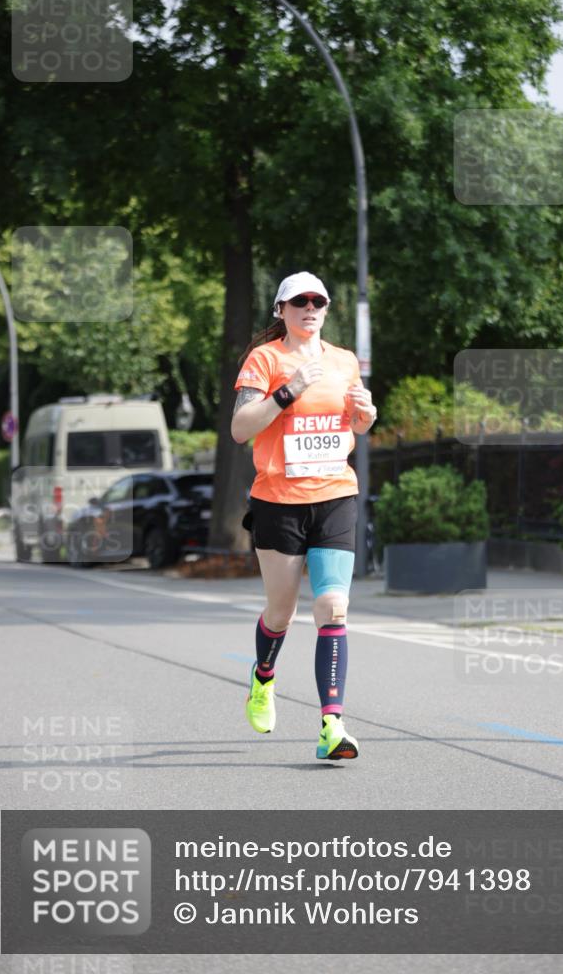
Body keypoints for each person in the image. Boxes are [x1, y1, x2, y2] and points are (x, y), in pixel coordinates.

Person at [231, 271, 377, 761]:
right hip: (278, 501)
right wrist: (286, 391)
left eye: (318, 301)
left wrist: (367, 415)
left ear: (326, 309)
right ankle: (263, 677)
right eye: (299, 302)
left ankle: (332, 726)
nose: (309, 308)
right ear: (281, 311)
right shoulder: (265, 360)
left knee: (333, 608)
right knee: (282, 612)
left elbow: (353, 422)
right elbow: (239, 428)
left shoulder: (343, 362)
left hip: (336, 494)